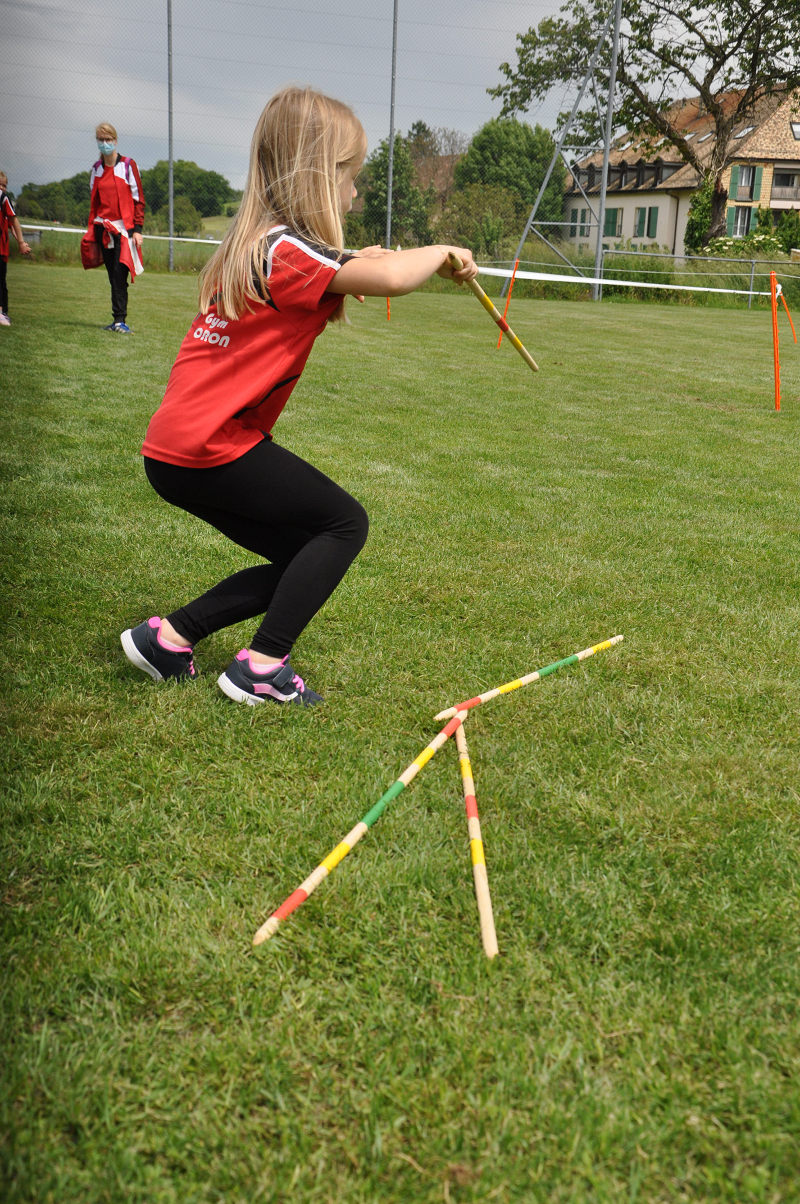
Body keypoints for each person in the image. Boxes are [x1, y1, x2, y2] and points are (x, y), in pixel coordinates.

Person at [121, 84, 477, 707]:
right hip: (212, 444)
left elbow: (341, 267)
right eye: (350, 176)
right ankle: (261, 669)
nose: (355, 192)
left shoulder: (259, 245)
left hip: (173, 448)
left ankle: (168, 639)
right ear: (317, 174)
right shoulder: (286, 248)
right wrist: (443, 249)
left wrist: (354, 260)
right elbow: (393, 277)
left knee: (301, 555)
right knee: (344, 524)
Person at [88, 122, 145, 333]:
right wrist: (93, 228)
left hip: (123, 230)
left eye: (108, 139)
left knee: (120, 274)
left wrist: (137, 229)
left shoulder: (128, 166)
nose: (105, 143)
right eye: (101, 140)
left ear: (115, 141)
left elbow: (139, 199)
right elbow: (94, 201)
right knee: (113, 276)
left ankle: (120, 320)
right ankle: (116, 320)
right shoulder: (96, 169)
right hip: (103, 229)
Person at [0, 172, 31, 326]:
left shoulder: (4, 199)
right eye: (0, 184)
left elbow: (13, 222)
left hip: (1, 249)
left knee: (1, 282)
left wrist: (21, 242)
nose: (2, 188)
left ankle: (2, 312)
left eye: (4, 185)